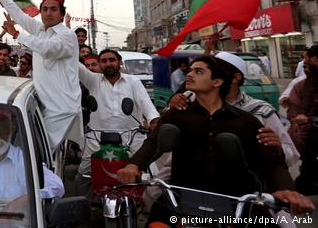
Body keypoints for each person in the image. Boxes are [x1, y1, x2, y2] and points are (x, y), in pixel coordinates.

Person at [117, 56, 314, 221]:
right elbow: (152, 142)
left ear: (218, 82)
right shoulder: (176, 114)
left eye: (199, 71)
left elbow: (272, 161)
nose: (190, 74)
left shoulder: (248, 120)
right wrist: (133, 166)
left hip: (237, 205)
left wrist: (286, 190)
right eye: (191, 70)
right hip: (183, 202)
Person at [0, 0, 82, 150]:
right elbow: (20, 17)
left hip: (61, 109)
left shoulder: (67, 35)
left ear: (61, 14)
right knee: (35, 154)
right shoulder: (41, 30)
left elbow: (46, 49)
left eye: (53, 9)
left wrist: (15, 34)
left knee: (38, 156)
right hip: (44, 105)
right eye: (44, 9)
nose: (48, 13)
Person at [168, 52, 300, 169]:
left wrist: (277, 148)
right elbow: (173, 157)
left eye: (218, 72)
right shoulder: (188, 100)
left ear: (235, 78)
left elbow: (291, 156)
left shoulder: (259, 111)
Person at [75, 49, 159, 199]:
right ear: (100, 65)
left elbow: (146, 103)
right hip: (98, 139)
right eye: (104, 61)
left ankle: (150, 212)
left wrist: (154, 120)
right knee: (82, 176)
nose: (108, 63)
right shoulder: (93, 80)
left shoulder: (133, 81)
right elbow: (73, 64)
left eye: (112, 60)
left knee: (153, 176)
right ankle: (84, 209)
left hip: (132, 137)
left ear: (119, 63)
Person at [286, 45, 318, 194]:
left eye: (306, 59)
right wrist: (301, 117)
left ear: (315, 59)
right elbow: (304, 101)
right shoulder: (306, 82)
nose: (304, 64)